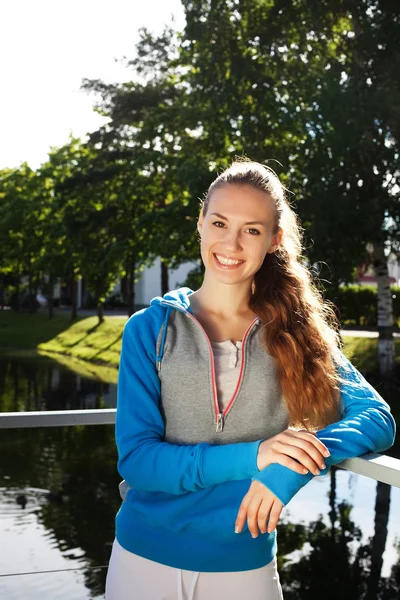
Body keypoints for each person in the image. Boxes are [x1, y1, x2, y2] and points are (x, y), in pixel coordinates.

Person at [105, 160, 396, 600]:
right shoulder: (149, 329)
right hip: (142, 561)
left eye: (252, 230)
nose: (231, 243)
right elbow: (139, 462)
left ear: (274, 240)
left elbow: (377, 416)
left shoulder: (298, 333)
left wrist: (289, 468)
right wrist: (257, 456)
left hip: (244, 567)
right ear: (201, 224)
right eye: (220, 222)